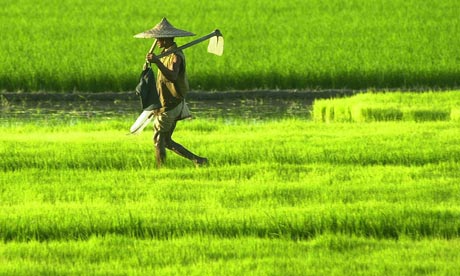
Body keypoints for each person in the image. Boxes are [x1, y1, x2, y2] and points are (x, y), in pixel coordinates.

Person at [144, 18, 208, 168]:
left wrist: (157, 62)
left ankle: (161, 170)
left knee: (158, 139)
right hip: (169, 103)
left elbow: (172, 76)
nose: (157, 41)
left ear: (166, 39)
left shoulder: (175, 56)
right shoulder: (165, 53)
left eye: (159, 38)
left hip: (170, 105)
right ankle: (198, 160)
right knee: (166, 141)